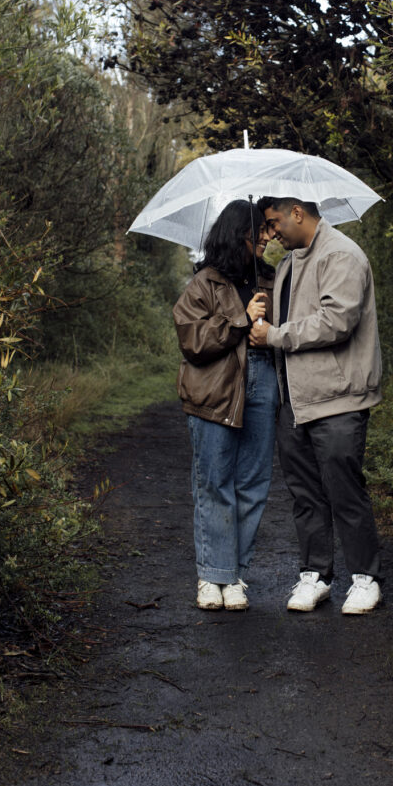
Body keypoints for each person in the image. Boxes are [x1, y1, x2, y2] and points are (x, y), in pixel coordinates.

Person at [249, 196, 383, 615]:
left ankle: (365, 580)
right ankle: (316, 576)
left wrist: (274, 335)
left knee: (345, 492)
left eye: (274, 223)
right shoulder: (289, 263)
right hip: (296, 400)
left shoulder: (342, 254)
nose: (271, 233)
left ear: (298, 213)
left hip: (338, 398)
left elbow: (336, 323)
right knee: (305, 494)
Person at [173, 200, 278, 611]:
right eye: (260, 232)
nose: (268, 237)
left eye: (269, 231)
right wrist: (240, 318)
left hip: (263, 384)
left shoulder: (269, 278)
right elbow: (192, 342)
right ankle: (211, 575)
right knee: (214, 483)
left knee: (253, 483)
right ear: (240, 234)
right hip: (214, 391)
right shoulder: (203, 284)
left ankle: (233, 574)